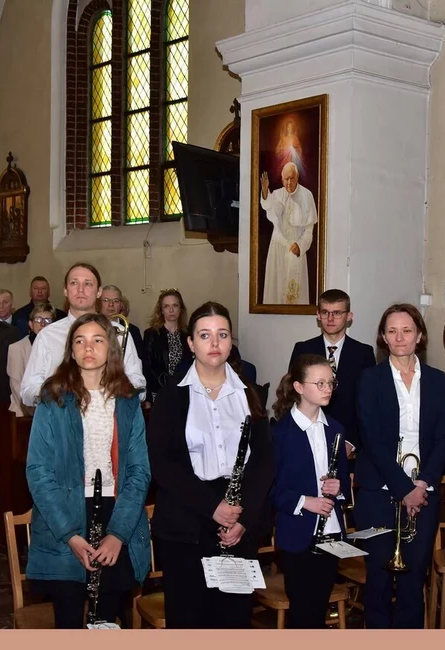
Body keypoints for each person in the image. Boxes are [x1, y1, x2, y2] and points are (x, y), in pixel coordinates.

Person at [147, 301, 274, 628]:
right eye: (205, 335)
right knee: (190, 621)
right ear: (191, 343)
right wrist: (212, 506)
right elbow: (163, 464)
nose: (214, 343)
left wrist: (243, 516)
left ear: (231, 342)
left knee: (233, 621)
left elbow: (264, 461)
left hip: (237, 521)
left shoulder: (250, 393)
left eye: (222, 334)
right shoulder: (171, 395)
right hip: (185, 521)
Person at [26, 313, 151, 628]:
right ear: (71, 350)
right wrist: (69, 535)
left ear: (111, 347)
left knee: (107, 620)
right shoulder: (52, 399)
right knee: (69, 619)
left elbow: (139, 472)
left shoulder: (128, 401)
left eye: (97, 340)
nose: (88, 348)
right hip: (65, 515)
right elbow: (38, 471)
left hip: (115, 512)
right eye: (79, 341)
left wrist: (118, 534)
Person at [353, 303, 445, 629]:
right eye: (392, 331)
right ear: (383, 336)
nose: (399, 337)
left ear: (419, 335)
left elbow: (444, 438)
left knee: (414, 579)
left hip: (423, 492)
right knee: (378, 580)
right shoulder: (370, 379)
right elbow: (372, 439)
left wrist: (421, 483)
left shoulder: (437, 380)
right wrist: (403, 488)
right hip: (379, 491)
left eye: (407, 330)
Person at [271, 354, 350, 628]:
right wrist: (306, 501)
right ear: (299, 387)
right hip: (297, 534)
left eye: (331, 383)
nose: (328, 389)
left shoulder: (336, 429)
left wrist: (338, 487)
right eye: (320, 383)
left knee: (318, 611)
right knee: (302, 613)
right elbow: (270, 489)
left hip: (330, 534)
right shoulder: (280, 433)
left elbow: (344, 481)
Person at [20, 263, 145, 406]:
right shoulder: (47, 335)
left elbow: (138, 384)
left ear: (99, 292)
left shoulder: (118, 333)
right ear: (65, 290)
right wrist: (57, 393)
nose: (80, 289)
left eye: (88, 284)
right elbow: (27, 391)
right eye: (74, 283)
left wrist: (113, 392)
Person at [290, 289, 376, 453]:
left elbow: (368, 403)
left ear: (348, 316)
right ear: (318, 315)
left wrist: (352, 441)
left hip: (349, 440)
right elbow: (292, 395)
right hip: (308, 435)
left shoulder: (363, 353)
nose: (330, 319)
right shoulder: (303, 349)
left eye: (337, 313)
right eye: (325, 313)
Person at [259, 162, 317, 305]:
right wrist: (265, 192)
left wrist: (300, 246)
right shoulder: (277, 194)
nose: (289, 183)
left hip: (296, 249)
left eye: (292, 178)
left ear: (297, 177)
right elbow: (269, 207)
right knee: (275, 291)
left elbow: (309, 230)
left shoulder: (307, 195)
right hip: (277, 249)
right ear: (282, 179)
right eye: (286, 179)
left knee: (295, 296)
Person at [143, 289, 192, 403]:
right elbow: (147, 366)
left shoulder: (188, 334)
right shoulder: (151, 334)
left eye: (175, 305)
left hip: (184, 390)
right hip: (160, 391)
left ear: (180, 309)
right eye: (166, 306)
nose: (171, 310)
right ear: (161, 310)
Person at [8, 301, 54, 417]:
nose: (43, 324)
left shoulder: (59, 347)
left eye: (47, 320)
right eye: (38, 319)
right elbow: (16, 386)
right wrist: (36, 411)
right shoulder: (17, 348)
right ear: (31, 324)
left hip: (52, 410)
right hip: (23, 412)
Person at [100, 285, 145, 361]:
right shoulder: (90, 326)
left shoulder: (133, 331)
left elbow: (141, 361)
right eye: (106, 300)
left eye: (116, 301)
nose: (111, 304)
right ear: (98, 303)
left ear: (121, 305)